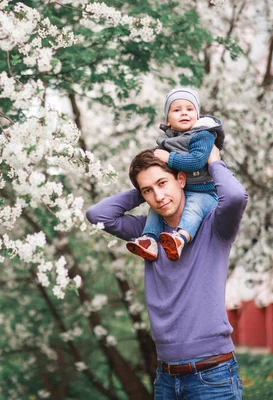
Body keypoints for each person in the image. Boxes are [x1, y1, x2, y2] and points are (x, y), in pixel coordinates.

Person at [86, 147, 247, 399]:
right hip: (166, 378)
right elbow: (97, 215)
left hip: (212, 375)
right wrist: (143, 189)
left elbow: (236, 196)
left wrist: (213, 163)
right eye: (148, 191)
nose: (158, 196)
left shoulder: (215, 226)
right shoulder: (146, 234)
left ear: (181, 179)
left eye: (163, 183)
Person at [126, 88, 225, 261]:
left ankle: (180, 239)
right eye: (177, 110)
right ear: (168, 121)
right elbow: (154, 169)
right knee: (156, 209)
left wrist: (169, 158)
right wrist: (146, 188)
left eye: (189, 109)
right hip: (181, 190)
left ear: (197, 115)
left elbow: (197, 161)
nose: (184, 113)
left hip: (203, 191)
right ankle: (149, 240)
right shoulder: (167, 140)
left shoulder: (203, 134)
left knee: (193, 208)